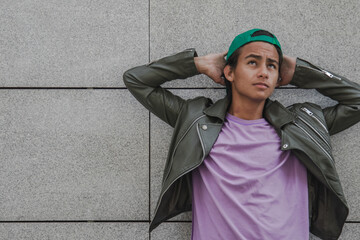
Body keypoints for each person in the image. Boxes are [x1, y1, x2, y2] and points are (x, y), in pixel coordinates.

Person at [123, 29, 360, 239]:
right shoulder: (198, 121)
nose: (263, 72)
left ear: (279, 77)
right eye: (253, 63)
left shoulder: (301, 125)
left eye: (272, 65)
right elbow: (137, 80)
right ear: (229, 72)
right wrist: (198, 64)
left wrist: (299, 72)